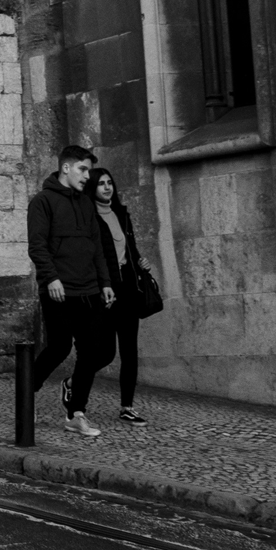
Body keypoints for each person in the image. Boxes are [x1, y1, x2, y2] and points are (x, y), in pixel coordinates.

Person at [26, 144, 115, 437]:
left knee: (91, 351)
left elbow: (97, 248)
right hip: (58, 290)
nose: (87, 176)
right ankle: (26, 394)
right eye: (83, 169)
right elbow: (37, 246)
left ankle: (76, 414)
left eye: (88, 170)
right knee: (59, 347)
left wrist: (105, 283)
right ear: (66, 168)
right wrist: (50, 278)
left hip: (89, 289)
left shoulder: (86, 204)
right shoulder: (42, 202)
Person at [89, 167, 150, 426]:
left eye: (109, 182)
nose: (107, 187)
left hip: (127, 288)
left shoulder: (121, 213)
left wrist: (140, 261)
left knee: (129, 350)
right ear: (92, 188)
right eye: (101, 183)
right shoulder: (88, 216)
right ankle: (74, 383)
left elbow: (130, 248)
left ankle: (127, 406)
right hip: (105, 289)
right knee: (105, 353)